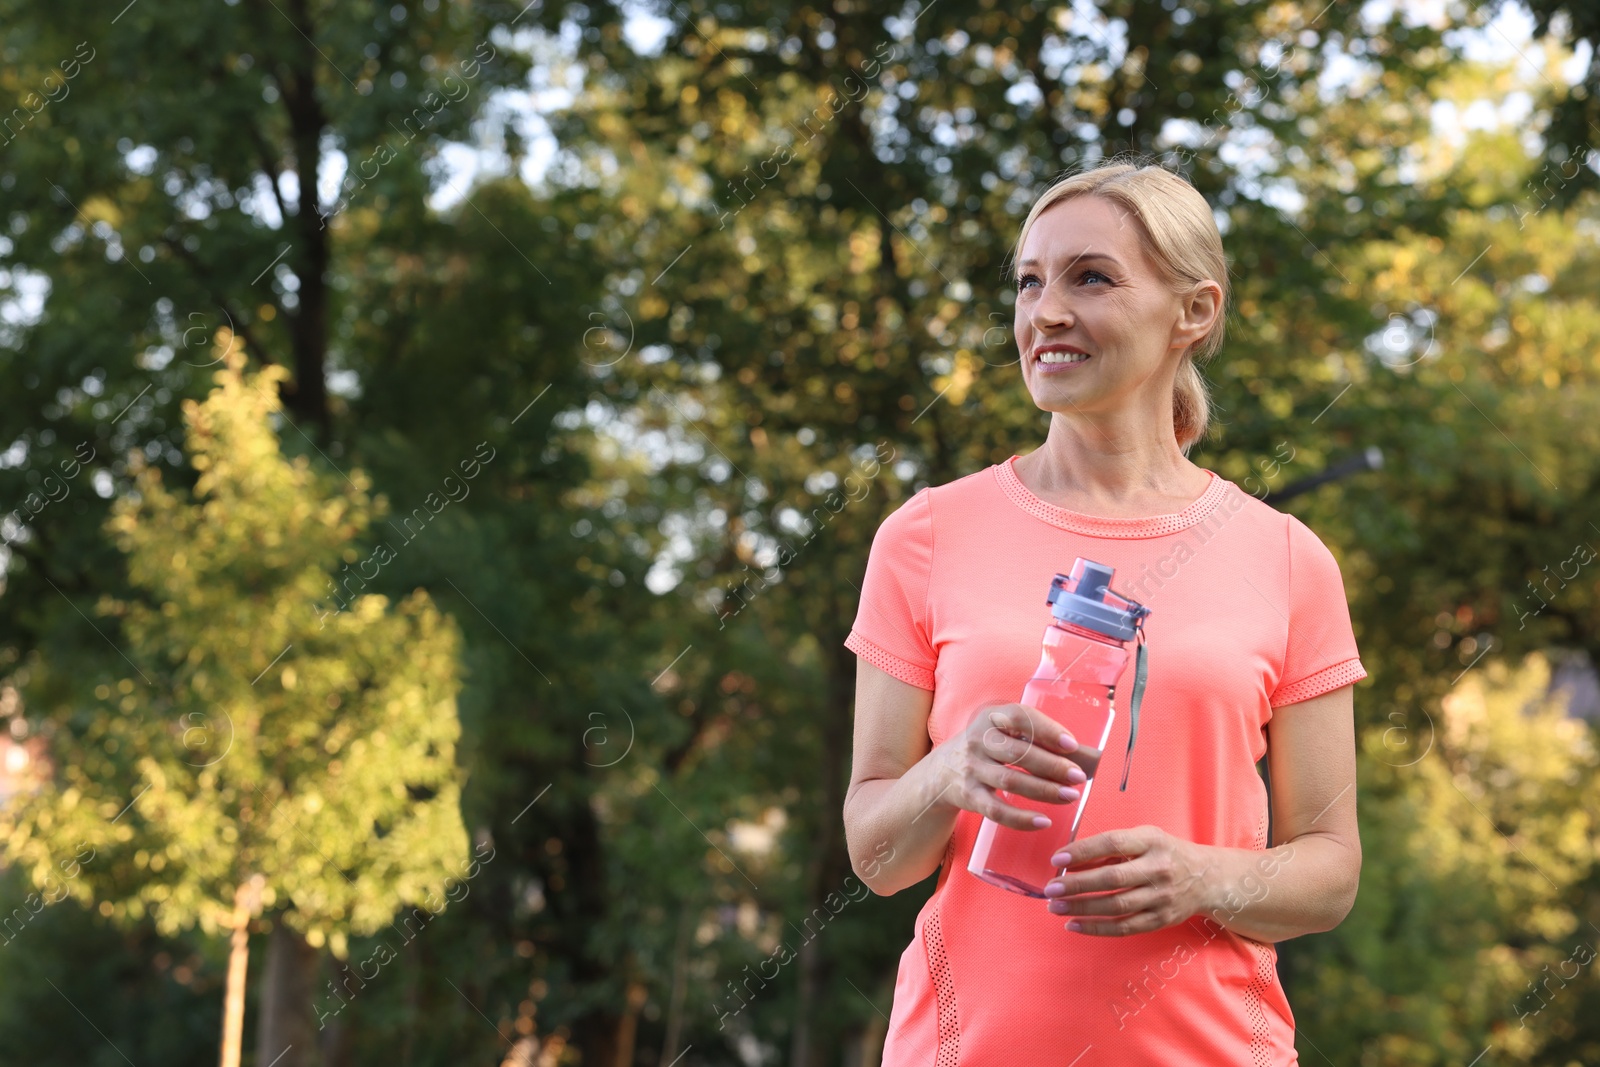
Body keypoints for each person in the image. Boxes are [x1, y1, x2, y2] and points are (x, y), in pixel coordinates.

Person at [841, 158, 1365, 1066]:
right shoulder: (924, 535)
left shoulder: (1286, 558)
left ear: (1192, 312)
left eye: (1091, 277)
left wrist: (1204, 875)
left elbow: (1329, 871)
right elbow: (877, 857)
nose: (1044, 311)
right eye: (1029, 281)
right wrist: (949, 770)